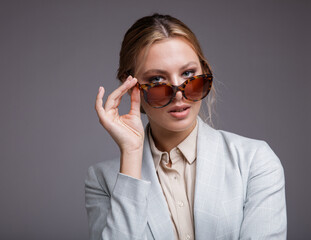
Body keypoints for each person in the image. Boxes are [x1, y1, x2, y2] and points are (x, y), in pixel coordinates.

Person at [85, 14, 287, 240]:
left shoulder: (255, 161)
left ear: (205, 70)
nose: (179, 94)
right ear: (130, 85)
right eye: (158, 81)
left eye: (189, 74)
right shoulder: (102, 180)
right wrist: (132, 153)